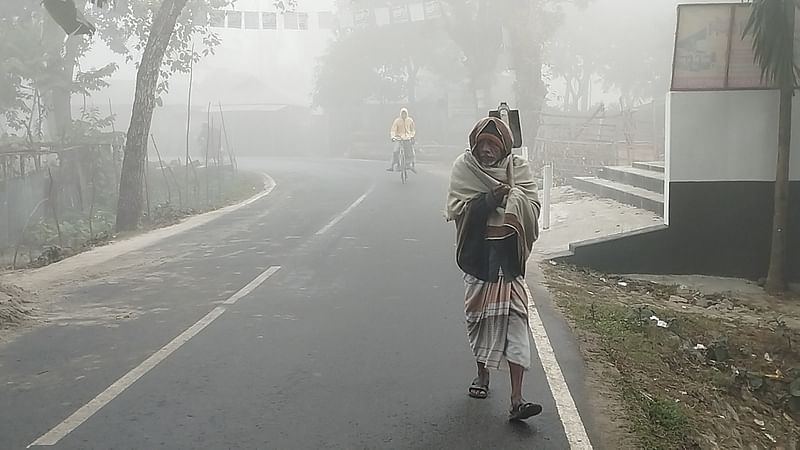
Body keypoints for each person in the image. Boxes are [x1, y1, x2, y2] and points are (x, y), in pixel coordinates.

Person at [445, 117, 542, 421]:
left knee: (516, 321)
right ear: (473, 145)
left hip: (507, 262)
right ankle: (482, 375)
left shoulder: (519, 170)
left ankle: (517, 398)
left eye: (492, 145)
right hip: (478, 259)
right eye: (481, 144)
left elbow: (534, 210)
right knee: (479, 319)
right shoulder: (464, 168)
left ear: (504, 148)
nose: (485, 150)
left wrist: (514, 198)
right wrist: (489, 199)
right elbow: (457, 210)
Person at [388, 107, 416, 172]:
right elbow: (393, 130)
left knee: (411, 151)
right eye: (402, 114)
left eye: (405, 114)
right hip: (399, 139)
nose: (404, 115)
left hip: (407, 138)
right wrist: (393, 137)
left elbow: (413, 130)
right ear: (401, 114)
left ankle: (411, 164)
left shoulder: (410, 120)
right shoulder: (397, 121)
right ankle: (393, 165)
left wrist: (411, 136)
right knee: (395, 151)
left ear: (407, 114)